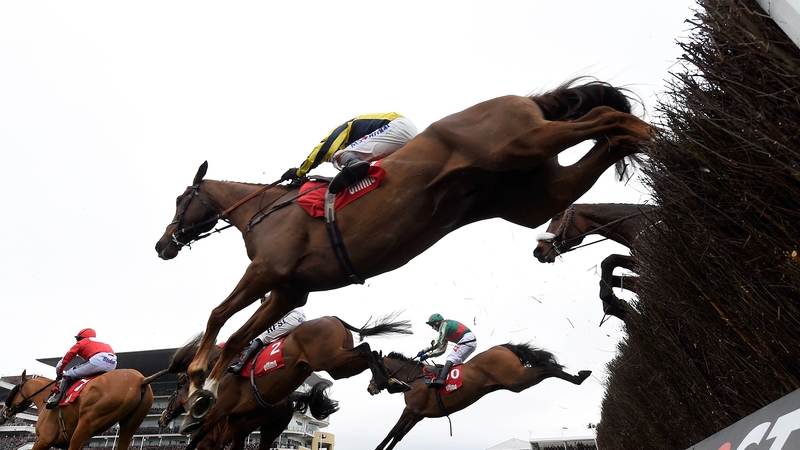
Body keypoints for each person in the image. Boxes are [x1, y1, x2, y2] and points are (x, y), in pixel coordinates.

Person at [281, 112, 417, 194]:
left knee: (339, 156)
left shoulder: (342, 129)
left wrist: (299, 172)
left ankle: (354, 165)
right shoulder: (358, 139)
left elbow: (323, 150)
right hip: (407, 132)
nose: (327, 160)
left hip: (396, 127)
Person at [45, 328, 117, 409]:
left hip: (97, 360)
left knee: (68, 374)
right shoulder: (103, 342)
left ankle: (55, 399)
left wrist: (59, 374)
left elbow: (63, 361)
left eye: (78, 339)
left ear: (82, 338)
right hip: (113, 363)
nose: (77, 341)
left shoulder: (83, 342)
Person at [227, 305, 306, 374]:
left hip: (293, 317)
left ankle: (239, 366)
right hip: (299, 318)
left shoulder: (268, 296)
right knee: (271, 339)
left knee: (262, 337)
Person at [416, 313, 477, 388]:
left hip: (468, 339)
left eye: (432, 325)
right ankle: (454, 383)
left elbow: (438, 343)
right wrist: (426, 353)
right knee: (455, 363)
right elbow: (442, 350)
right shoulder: (445, 330)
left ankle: (441, 380)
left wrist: (425, 353)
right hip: (471, 342)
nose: (432, 328)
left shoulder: (444, 325)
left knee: (451, 357)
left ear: (437, 322)